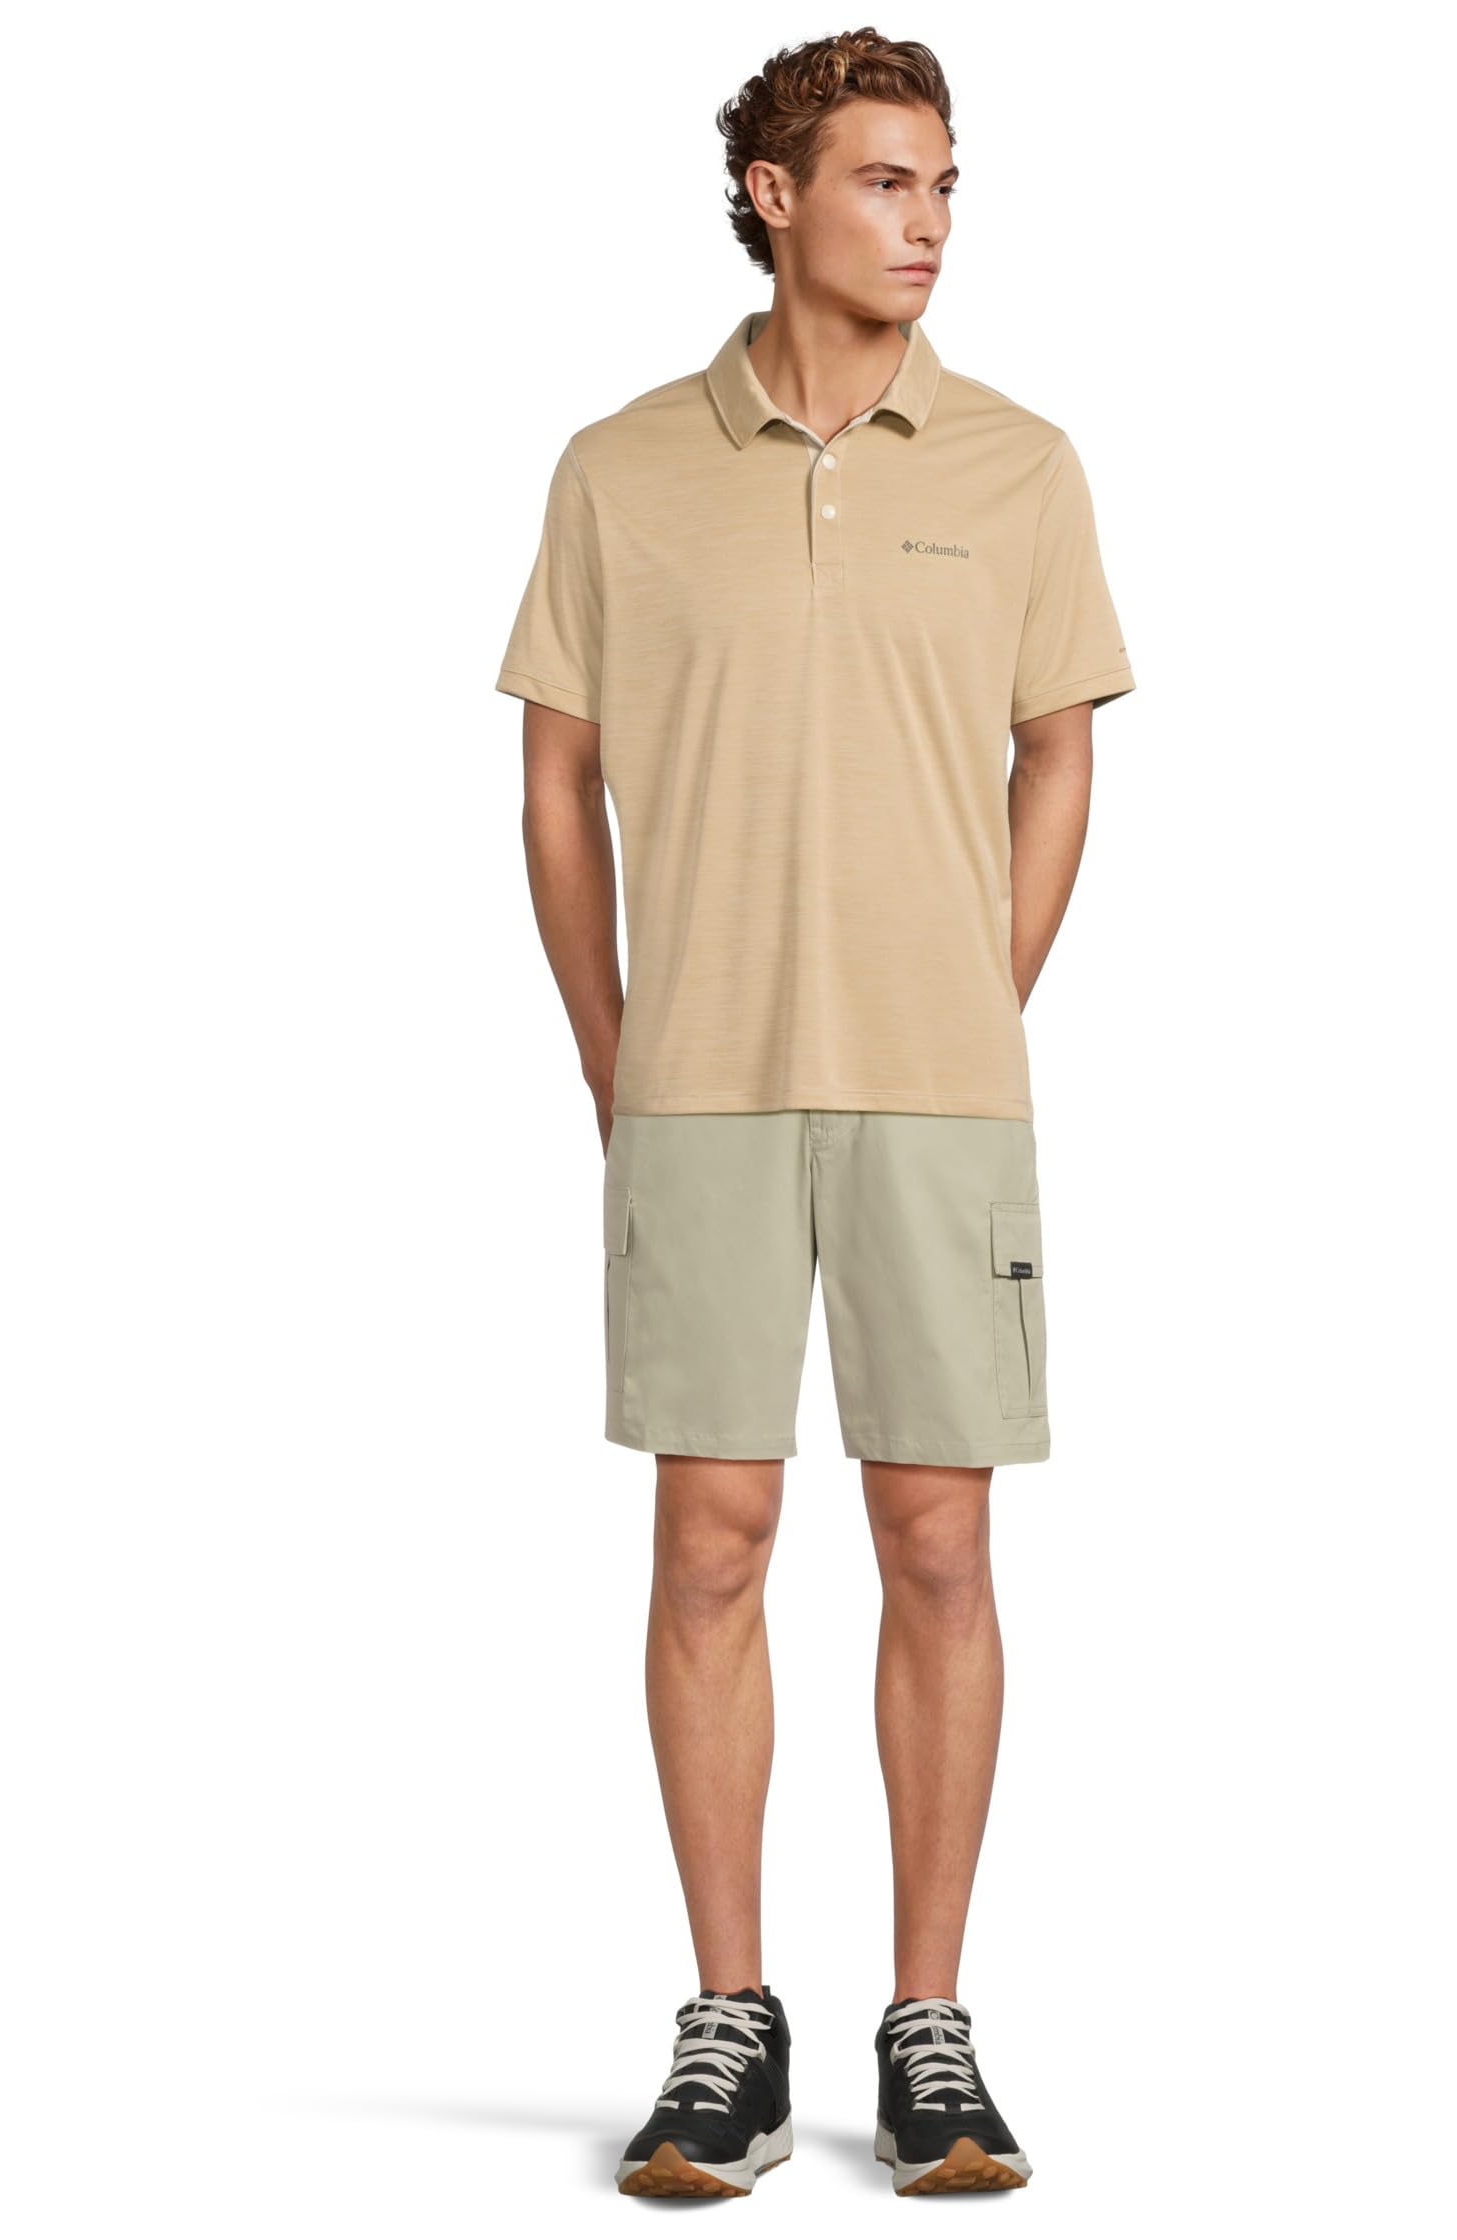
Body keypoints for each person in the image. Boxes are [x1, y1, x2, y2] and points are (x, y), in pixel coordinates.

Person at [496, 27, 1133, 2199]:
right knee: (711, 1539)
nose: (929, 221)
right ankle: (729, 2022)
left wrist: (981, 983)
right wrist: (612, 1047)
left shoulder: (1021, 466)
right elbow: (555, 777)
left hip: (944, 1088)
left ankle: (930, 2025)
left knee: (942, 1542)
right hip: (700, 1085)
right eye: (884, 180)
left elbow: (1064, 746)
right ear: (773, 197)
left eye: (946, 182)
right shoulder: (620, 468)